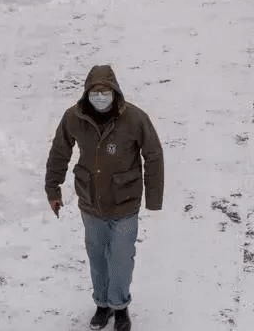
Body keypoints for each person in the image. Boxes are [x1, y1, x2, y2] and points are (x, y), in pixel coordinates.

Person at [45, 65, 164, 331]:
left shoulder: (135, 119)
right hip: (91, 202)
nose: (100, 96)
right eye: (95, 91)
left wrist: (153, 198)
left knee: (121, 259)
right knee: (98, 258)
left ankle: (120, 307)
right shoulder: (73, 118)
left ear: (115, 92)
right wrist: (53, 189)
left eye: (105, 91)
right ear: (87, 93)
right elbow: (59, 153)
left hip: (125, 203)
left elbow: (153, 155)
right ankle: (102, 305)